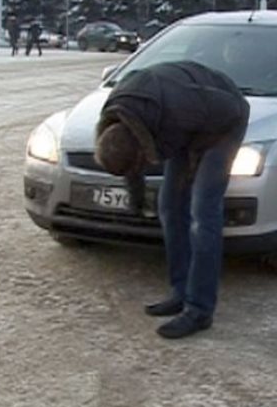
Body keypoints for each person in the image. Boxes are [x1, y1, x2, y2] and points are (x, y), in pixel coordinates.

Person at [94, 60, 250, 339]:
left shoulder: (178, 115)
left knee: (202, 213)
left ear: (143, 149)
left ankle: (199, 309)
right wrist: (137, 199)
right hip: (181, 123)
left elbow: (227, 116)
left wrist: (190, 177)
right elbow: (130, 161)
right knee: (169, 208)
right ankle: (180, 291)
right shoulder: (115, 116)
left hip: (224, 122)